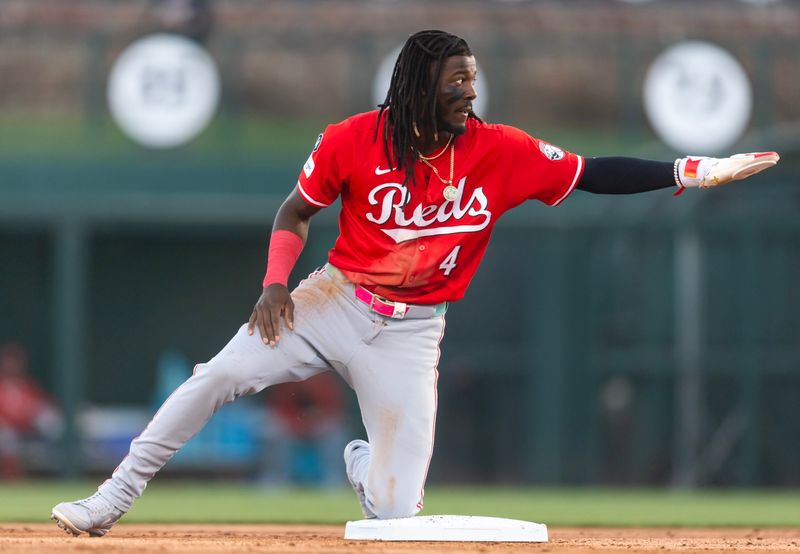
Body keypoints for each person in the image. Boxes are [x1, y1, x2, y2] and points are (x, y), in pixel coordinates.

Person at [51, 29, 779, 537]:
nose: (469, 90)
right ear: (416, 86)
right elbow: (295, 209)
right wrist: (277, 282)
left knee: (396, 517)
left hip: (411, 331)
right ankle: (109, 499)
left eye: (471, 78)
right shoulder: (351, 138)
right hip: (332, 299)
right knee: (214, 378)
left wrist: (691, 170)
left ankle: (365, 464)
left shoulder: (500, 151)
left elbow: (593, 174)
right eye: (455, 79)